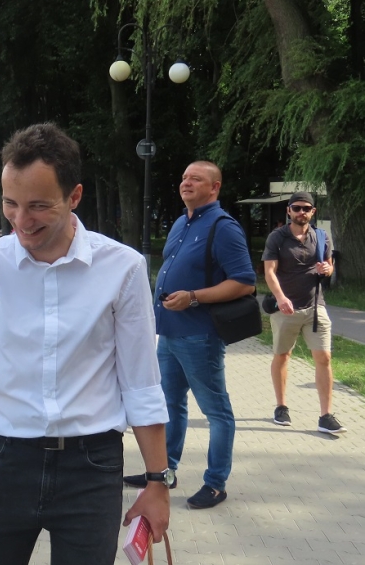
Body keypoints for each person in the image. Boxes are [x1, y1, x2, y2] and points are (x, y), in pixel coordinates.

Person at [0, 124, 169, 564]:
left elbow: (140, 382)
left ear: (74, 196)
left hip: (92, 467)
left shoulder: (122, 268)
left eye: (39, 206)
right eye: (11, 203)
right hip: (7, 462)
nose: (22, 221)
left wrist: (157, 482)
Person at [124, 161, 257, 509]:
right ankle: (164, 472)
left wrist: (194, 297)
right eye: (184, 177)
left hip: (200, 335)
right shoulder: (182, 222)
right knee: (169, 405)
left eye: (196, 179)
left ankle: (215, 484)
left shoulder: (224, 227)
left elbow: (244, 281)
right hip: (170, 333)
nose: (186, 183)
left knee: (216, 411)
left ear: (214, 187)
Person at [263, 191, 345, 434]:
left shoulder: (321, 236)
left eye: (306, 208)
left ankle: (326, 416)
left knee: (324, 358)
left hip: (315, 307)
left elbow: (329, 266)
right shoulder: (277, 237)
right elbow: (269, 271)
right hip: (285, 309)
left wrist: (327, 270)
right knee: (282, 356)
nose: (301, 212)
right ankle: (281, 406)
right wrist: (281, 298)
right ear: (288, 210)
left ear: (312, 212)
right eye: (296, 208)